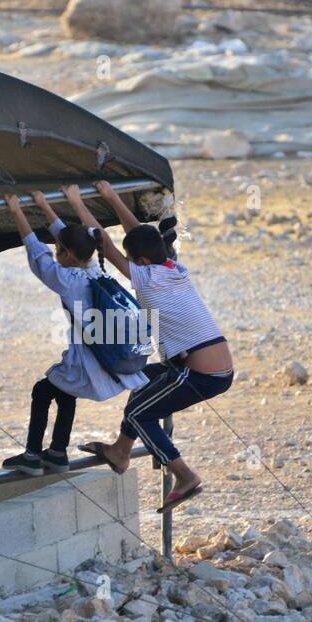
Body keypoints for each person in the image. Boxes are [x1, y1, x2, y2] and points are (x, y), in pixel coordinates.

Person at [71, 182, 234, 512]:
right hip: (204, 363)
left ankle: (184, 475)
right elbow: (140, 233)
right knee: (139, 380)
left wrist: (76, 201)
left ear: (141, 261)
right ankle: (121, 450)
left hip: (202, 373)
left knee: (140, 412)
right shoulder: (172, 268)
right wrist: (110, 195)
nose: (128, 263)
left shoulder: (146, 278)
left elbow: (101, 239)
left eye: (132, 259)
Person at [0, 190, 148, 476]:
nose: (56, 254)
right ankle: (56, 452)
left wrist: (17, 211)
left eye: (59, 251)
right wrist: (44, 206)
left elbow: (36, 252)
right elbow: (67, 239)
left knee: (42, 391)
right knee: (64, 394)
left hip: (88, 359)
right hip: (101, 355)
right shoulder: (95, 267)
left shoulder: (67, 279)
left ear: (66, 255)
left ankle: (32, 454)